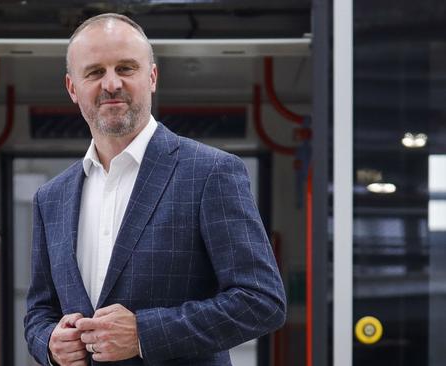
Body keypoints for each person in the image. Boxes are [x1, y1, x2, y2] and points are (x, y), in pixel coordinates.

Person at [24, 13, 286, 366]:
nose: (112, 84)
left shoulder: (210, 173)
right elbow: (40, 311)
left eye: (126, 68)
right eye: (95, 72)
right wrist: (49, 343)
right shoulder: (50, 198)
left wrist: (144, 334)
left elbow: (262, 301)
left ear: (152, 77)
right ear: (72, 88)